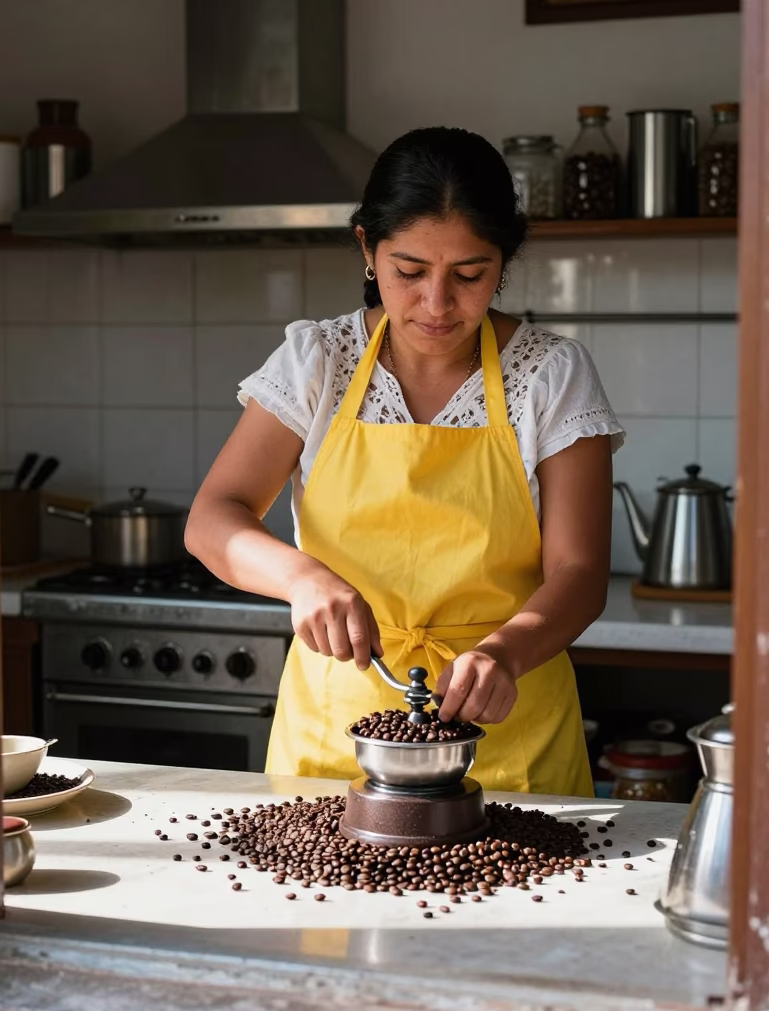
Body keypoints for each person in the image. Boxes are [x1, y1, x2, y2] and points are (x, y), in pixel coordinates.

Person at [186, 126, 624, 796]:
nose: (437, 304)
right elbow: (215, 517)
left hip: (507, 727)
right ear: (368, 248)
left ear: (503, 261)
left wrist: (505, 654)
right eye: (410, 272)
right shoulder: (318, 362)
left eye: (470, 274)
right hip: (335, 737)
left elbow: (581, 572)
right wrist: (301, 578)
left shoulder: (550, 373)